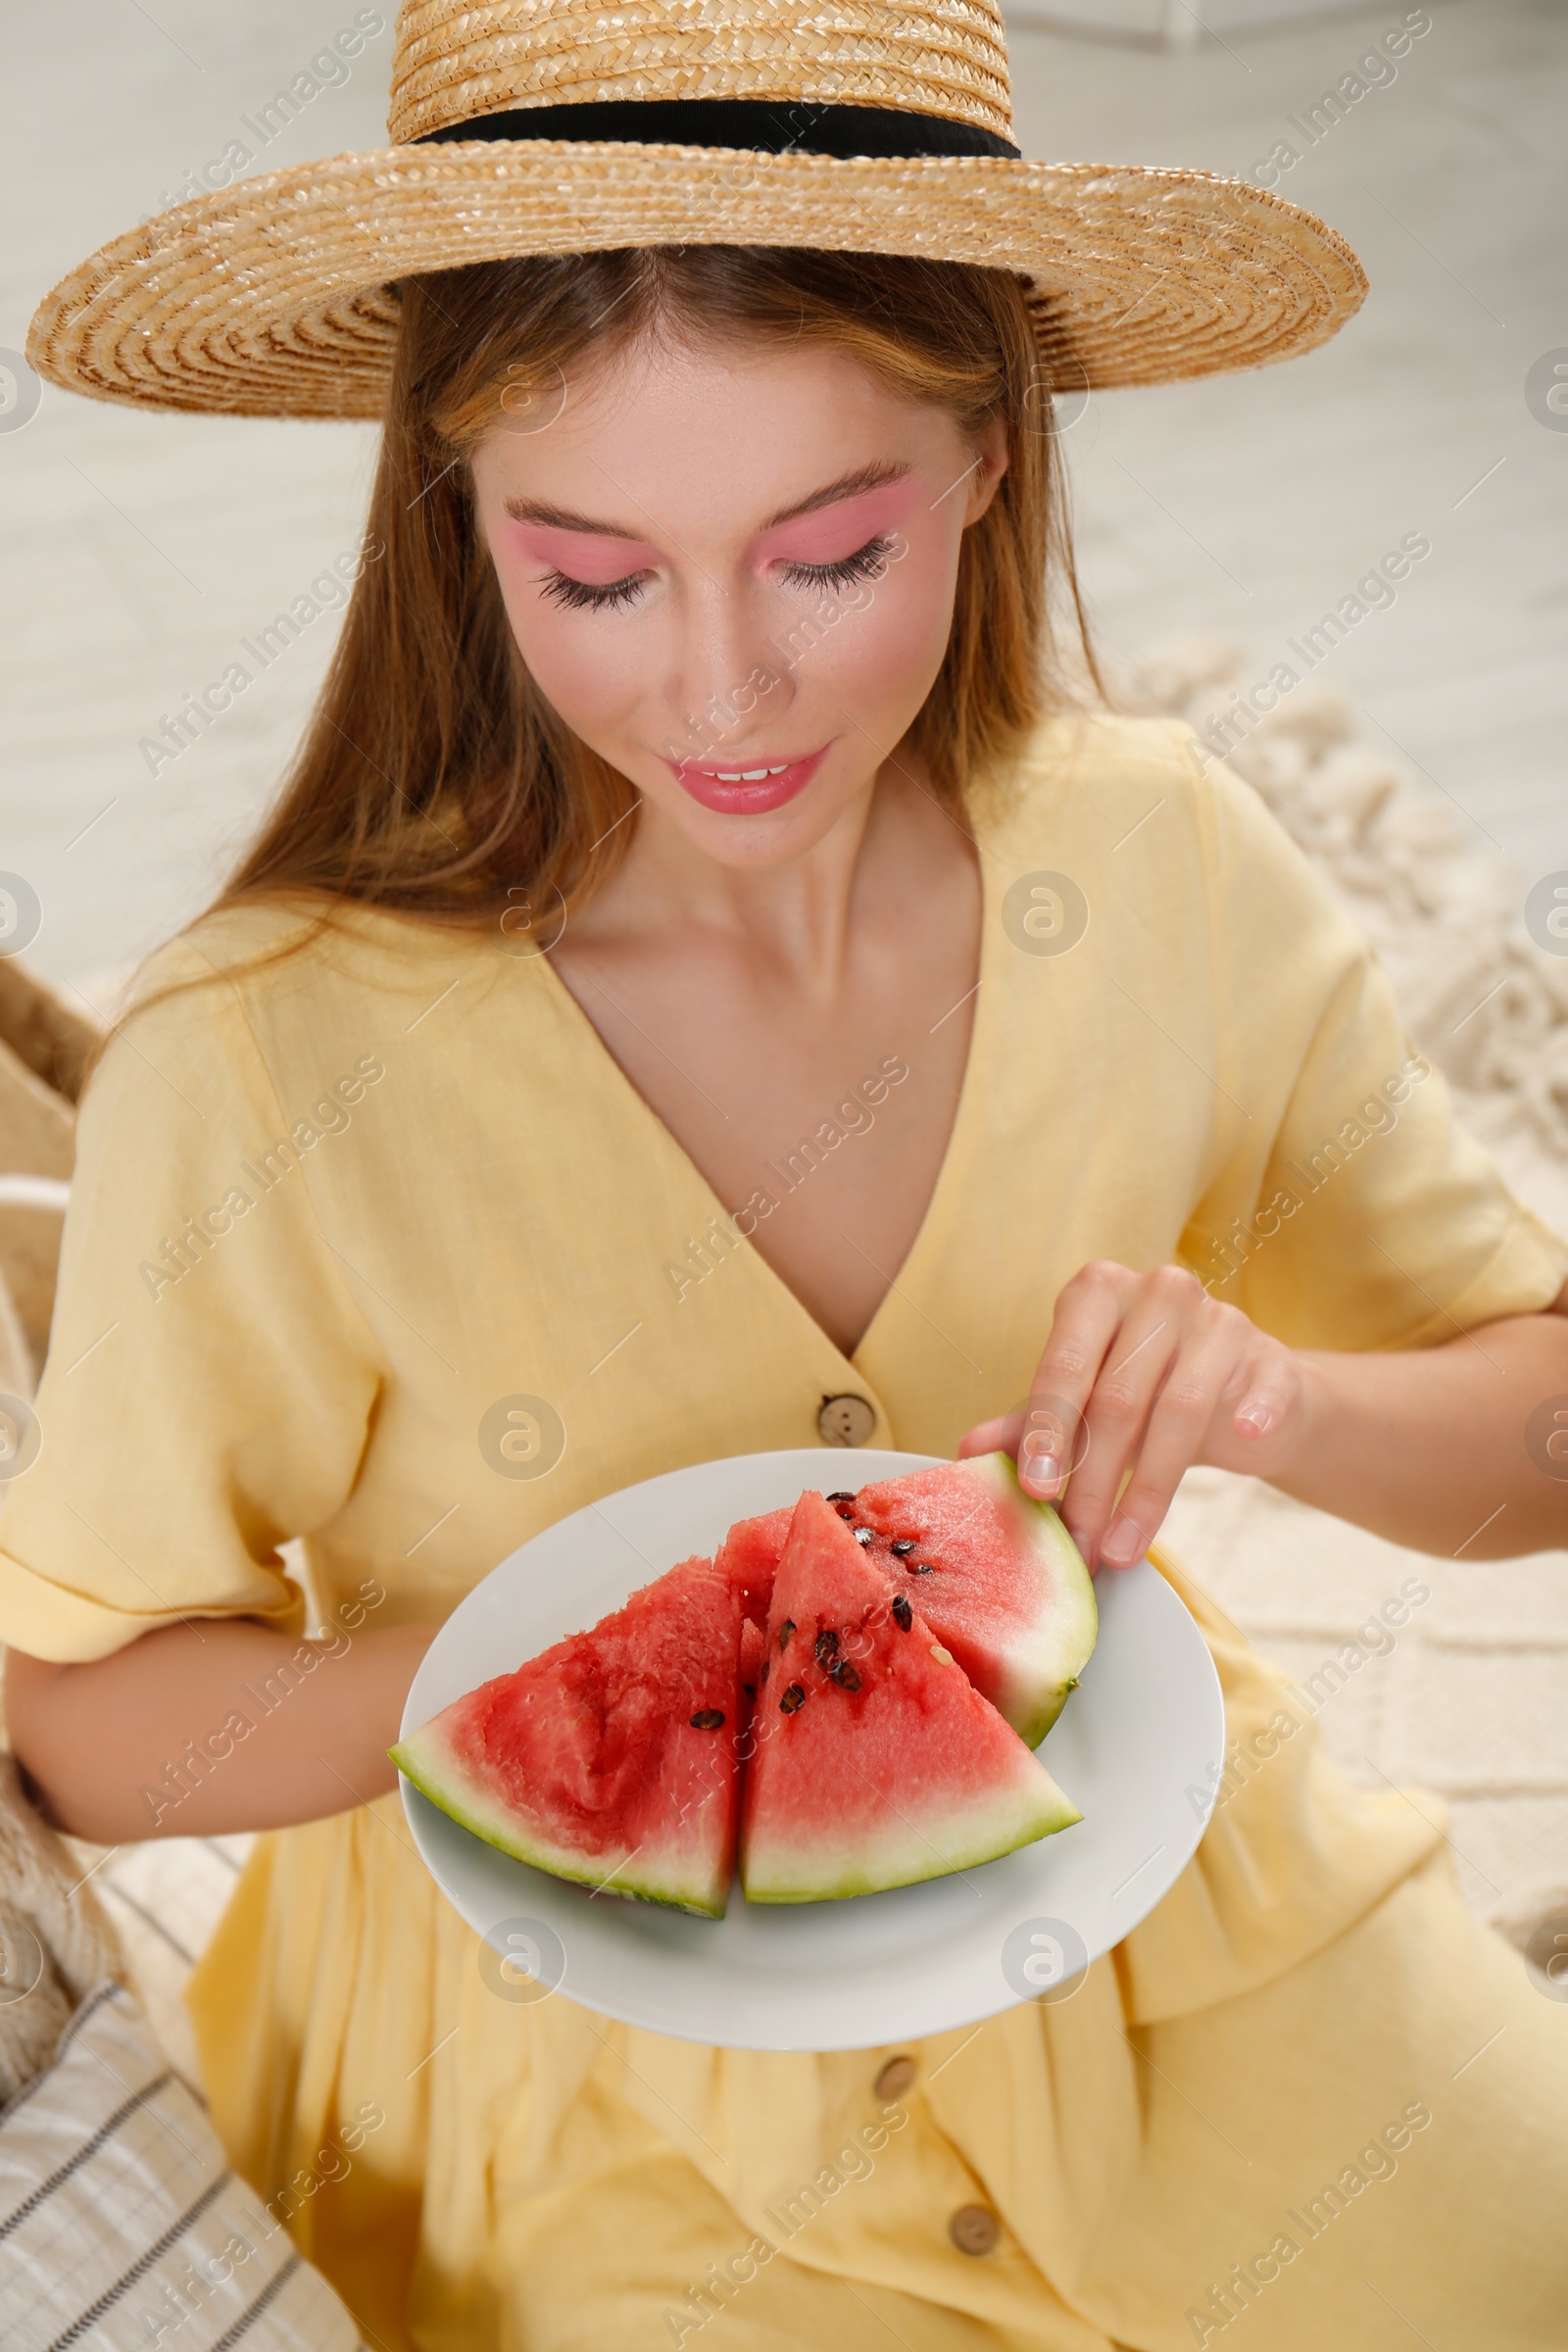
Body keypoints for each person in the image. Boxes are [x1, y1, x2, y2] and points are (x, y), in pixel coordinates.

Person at [6, 5, 1568, 2345]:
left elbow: (1529, 1431)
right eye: (594, 578)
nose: (720, 694)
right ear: (458, 532)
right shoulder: (268, 1052)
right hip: (566, 2065)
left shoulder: (1158, 865)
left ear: (981, 459)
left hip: (1180, 1917)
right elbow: (84, 1730)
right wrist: (565, 1660)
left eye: (823, 553)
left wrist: (1275, 1410)